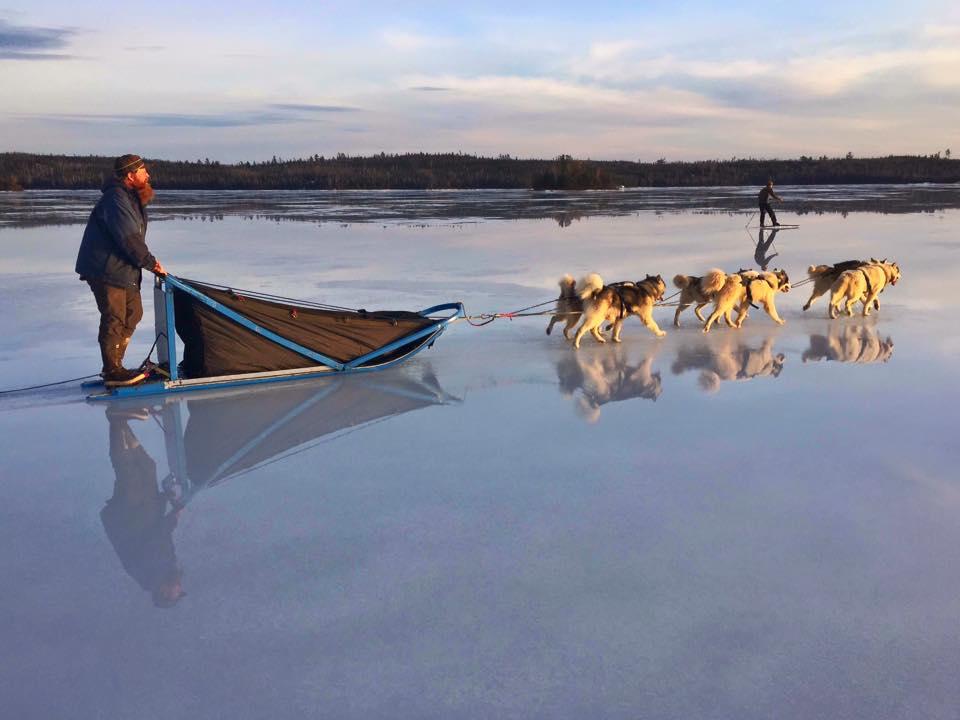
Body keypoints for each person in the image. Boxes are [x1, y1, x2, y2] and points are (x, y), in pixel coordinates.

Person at [75, 154, 166, 386]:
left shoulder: (130, 197)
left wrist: (145, 262)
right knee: (114, 317)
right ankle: (113, 370)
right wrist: (151, 263)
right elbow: (128, 238)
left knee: (133, 313)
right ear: (130, 174)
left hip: (122, 268)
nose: (148, 175)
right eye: (143, 170)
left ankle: (116, 365)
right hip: (105, 268)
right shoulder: (116, 198)